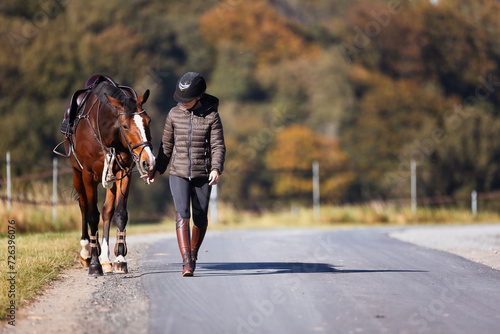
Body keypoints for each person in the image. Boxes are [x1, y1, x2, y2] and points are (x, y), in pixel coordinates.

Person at [147, 72, 226, 276]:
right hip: (178, 173)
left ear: (199, 96)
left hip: (203, 174)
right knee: (182, 213)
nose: (183, 103)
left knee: (200, 217)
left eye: (187, 99)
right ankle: (187, 262)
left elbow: (218, 146)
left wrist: (216, 168)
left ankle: (193, 253)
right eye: (180, 99)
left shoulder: (212, 116)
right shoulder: (173, 114)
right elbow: (166, 146)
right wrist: (157, 170)